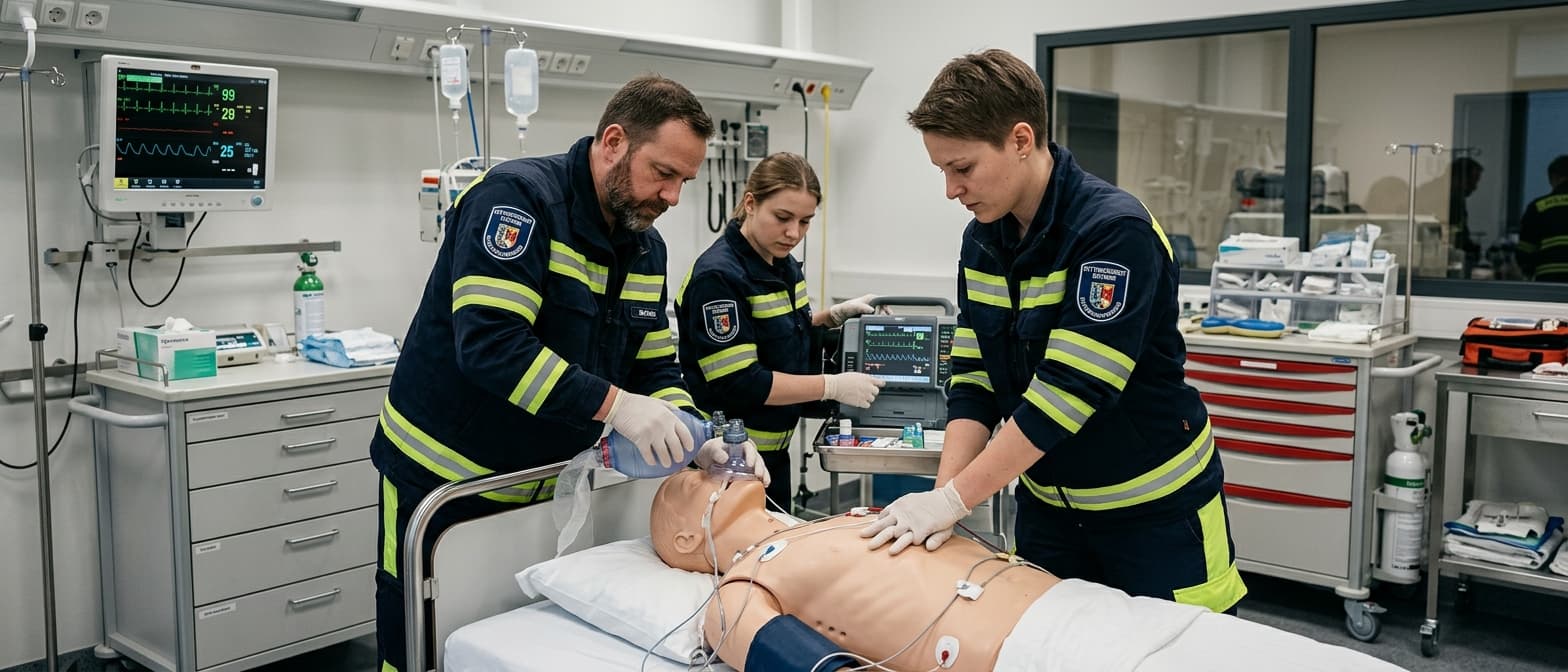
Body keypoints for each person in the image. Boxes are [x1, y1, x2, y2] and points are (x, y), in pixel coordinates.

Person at [370, 75, 761, 672]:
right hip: (442, 478)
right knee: (419, 637)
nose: (674, 196)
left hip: (540, 483)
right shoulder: (517, 201)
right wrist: (618, 408)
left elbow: (657, 362)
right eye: (663, 173)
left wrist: (695, 435)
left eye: (685, 180)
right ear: (613, 142)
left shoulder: (644, 248)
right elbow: (492, 347)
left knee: (503, 629)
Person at [862, 49, 1247, 616]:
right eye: (941, 171)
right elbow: (973, 380)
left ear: (1021, 139)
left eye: (962, 168)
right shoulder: (984, 240)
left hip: (1154, 518)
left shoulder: (1114, 233)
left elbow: (1065, 396)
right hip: (1050, 514)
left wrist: (953, 500)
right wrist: (942, 505)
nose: (950, 189)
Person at [650, 470, 1401, 672]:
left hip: (1086, 609)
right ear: (686, 538)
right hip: (1024, 654)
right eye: (685, 482)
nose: (700, 466)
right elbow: (796, 661)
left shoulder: (823, 524)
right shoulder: (739, 586)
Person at [676, 151, 884, 510]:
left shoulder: (783, 266)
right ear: (751, 203)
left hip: (773, 456)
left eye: (805, 222)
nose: (793, 233)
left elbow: (781, 334)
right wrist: (831, 386)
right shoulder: (719, 277)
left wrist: (830, 317)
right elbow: (741, 381)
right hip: (728, 460)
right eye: (783, 218)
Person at [1516, 155, 1568, 282]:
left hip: (1550, 277)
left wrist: (1527, 270)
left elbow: (1525, 250)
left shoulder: (1538, 206)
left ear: (1554, 178)